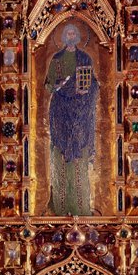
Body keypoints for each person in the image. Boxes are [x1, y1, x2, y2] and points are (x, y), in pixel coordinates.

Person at [45, 24, 99, 216]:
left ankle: (81, 209)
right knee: (60, 155)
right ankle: (61, 209)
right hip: (60, 113)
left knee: (79, 158)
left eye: (73, 32)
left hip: (80, 115)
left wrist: (87, 90)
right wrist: (59, 86)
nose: (70, 35)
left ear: (77, 37)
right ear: (63, 37)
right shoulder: (57, 59)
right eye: (67, 33)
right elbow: (48, 85)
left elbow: (93, 84)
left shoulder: (85, 58)